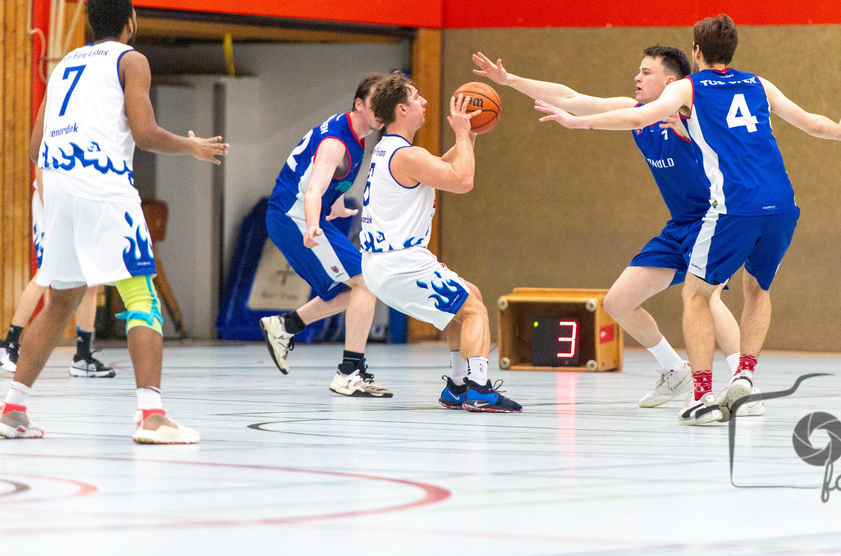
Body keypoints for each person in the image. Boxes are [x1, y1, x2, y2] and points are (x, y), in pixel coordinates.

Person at [535, 14, 841, 425]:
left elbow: (638, 117)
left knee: (696, 295)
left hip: (734, 204)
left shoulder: (688, 87)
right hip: (783, 202)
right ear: (732, 50)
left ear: (696, 52)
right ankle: (745, 377)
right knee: (757, 289)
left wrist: (579, 122)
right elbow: (811, 123)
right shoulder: (760, 84)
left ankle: (702, 394)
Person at [471, 48, 764, 415]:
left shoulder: (695, 113)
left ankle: (743, 384)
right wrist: (509, 80)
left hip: (715, 221)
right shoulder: (637, 114)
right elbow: (571, 98)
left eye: (646, 72)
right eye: (637, 71)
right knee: (617, 302)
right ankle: (674, 370)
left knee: (709, 299)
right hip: (679, 226)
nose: (637, 78)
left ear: (671, 82)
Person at [0, 0, 228, 443]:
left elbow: (32, 147)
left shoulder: (64, 63)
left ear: (89, 22)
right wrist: (192, 145)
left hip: (57, 191)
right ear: (131, 20)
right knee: (141, 295)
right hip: (103, 188)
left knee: (60, 300)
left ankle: (12, 408)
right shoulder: (130, 60)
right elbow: (144, 133)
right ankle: (151, 416)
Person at [360, 71, 521, 413]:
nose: (424, 102)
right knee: (475, 311)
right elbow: (463, 180)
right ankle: (479, 389)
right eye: (416, 98)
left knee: (468, 298)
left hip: (385, 264)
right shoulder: (407, 155)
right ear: (401, 110)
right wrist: (463, 134)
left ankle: (458, 386)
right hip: (401, 263)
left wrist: (469, 136)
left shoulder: (394, 151)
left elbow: (445, 168)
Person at [260, 74, 393, 398]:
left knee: (353, 292)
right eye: (375, 101)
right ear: (358, 103)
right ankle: (348, 372)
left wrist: (336, 203)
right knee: (366, 281)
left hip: (303, 216)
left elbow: (320, 177)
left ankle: (285, 327)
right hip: (293, 218)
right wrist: (311, 224)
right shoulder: (338, 142)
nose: (381, 110)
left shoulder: (355, 134)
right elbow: (313, 190)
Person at [1, 174, 113, 377]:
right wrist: (49, 207)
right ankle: (9, 344)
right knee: (44, 273)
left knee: (90, 279)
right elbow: (41, 165)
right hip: (53, 203)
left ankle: (82, 356)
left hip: (82, 203)